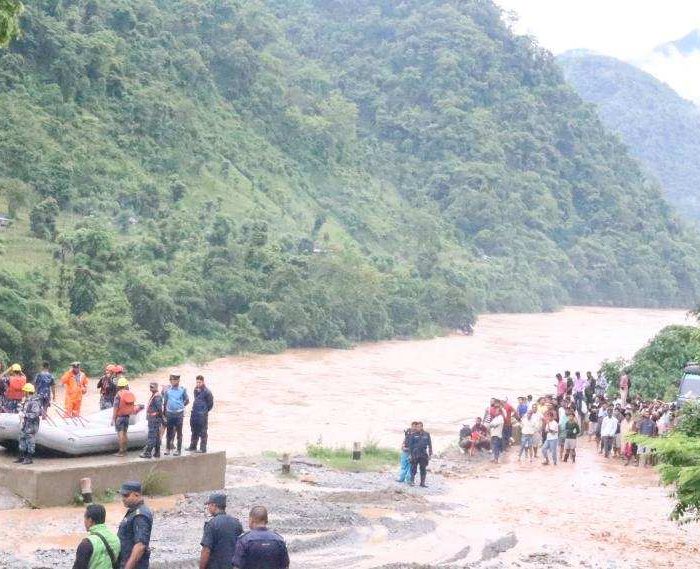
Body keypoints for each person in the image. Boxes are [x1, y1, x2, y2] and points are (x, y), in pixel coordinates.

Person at [199, 493, 243, 569]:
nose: (208, 507)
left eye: (209, 505)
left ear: (214, 505)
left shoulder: (211, 524)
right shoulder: (236, 523)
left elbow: (206, 550)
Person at [72, 503, 121, 569]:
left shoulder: (86, 543)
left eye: (85, 518)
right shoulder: (116, 539)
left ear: (90, 520)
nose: (84, 521)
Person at [118, 481, 153, 569]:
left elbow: (140, 546)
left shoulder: (140, 515)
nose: (123, 498)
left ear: (137, 494)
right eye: (122, 495)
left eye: (126, 495)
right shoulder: (133, 512)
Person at [112, 378, 142, 457]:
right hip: (127, 417)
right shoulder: (130, 394)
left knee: (120, 434)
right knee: (125, 434)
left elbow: (115, 407)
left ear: (118, 386)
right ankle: (125, 450)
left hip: (120, 417)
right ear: (126, 385)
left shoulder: (118, 395)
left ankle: (121, 451)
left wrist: (113, 418)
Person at [16, 383, 42, 465]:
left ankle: (29, 458)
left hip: (31, 425)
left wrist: (25, 415)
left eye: (25, 391)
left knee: (30, 441)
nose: (23, 393)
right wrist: (20, 407)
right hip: (25, 424)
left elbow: (36, 414)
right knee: (22, 439)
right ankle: (21, 456)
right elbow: (22, 409)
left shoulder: (35, 402)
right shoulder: (26, 400)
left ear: (28, 392)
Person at [163, 374, 189, 456]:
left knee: (179, 433)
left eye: (175, 380)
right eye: (172, 380)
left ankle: (178, 450)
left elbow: (187, 400)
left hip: (179, 414)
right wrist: (164, 413)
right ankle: (167, 448)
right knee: (169, 432)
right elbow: (165, 402)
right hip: (170, 413)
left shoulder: (182, 390)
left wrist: (181, 405)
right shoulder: (167, 390)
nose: (173, 382)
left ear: (178, 381)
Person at [188, 375, 214, 453]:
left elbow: (210, 404)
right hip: (195, 413)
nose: (198, 384)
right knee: (194, 430)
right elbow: (196, 399)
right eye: (197, 382)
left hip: (202, 415)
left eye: (199, 382)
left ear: (203, 382)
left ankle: (203, 448)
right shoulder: (195, 390)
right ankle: (193, 446)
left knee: (203, 432)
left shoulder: (207, 392)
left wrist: (204, 411)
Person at [140, 382, 164, 459]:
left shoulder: (157, 397)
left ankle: (148, 452)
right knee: (156, 436)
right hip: (154, 418)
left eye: (153, 387)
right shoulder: (154, 395)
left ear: (157, 387)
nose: (151, 388)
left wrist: (161, 417)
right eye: (150, 387)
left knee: (152, 435)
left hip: (154, 419)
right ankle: (157, 452)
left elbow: (159, 409)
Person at [408, 421, 432, 487]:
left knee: (423, 469)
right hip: (415, 454)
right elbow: (410, 446)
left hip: (423, 454)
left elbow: (430, 445)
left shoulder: (427, 434)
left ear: (422, 427)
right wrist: (410, 454)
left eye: (419, 427)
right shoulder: (413, 434)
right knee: (413, 468)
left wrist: (430, 454)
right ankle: (412, 481)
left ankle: (422, 483)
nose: (418, 428)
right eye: (417, 427)